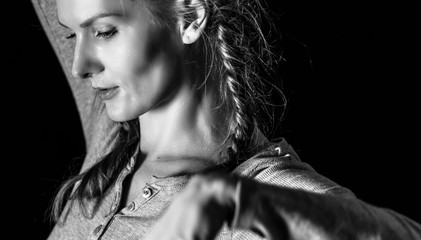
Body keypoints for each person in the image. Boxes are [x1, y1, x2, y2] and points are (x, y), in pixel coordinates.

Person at [31, 0, 421, 239]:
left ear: (189, 18)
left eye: (103, 31)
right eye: (71, 37)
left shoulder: (264, 195)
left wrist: (231, 202)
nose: (80, 65)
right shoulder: (111, 140)